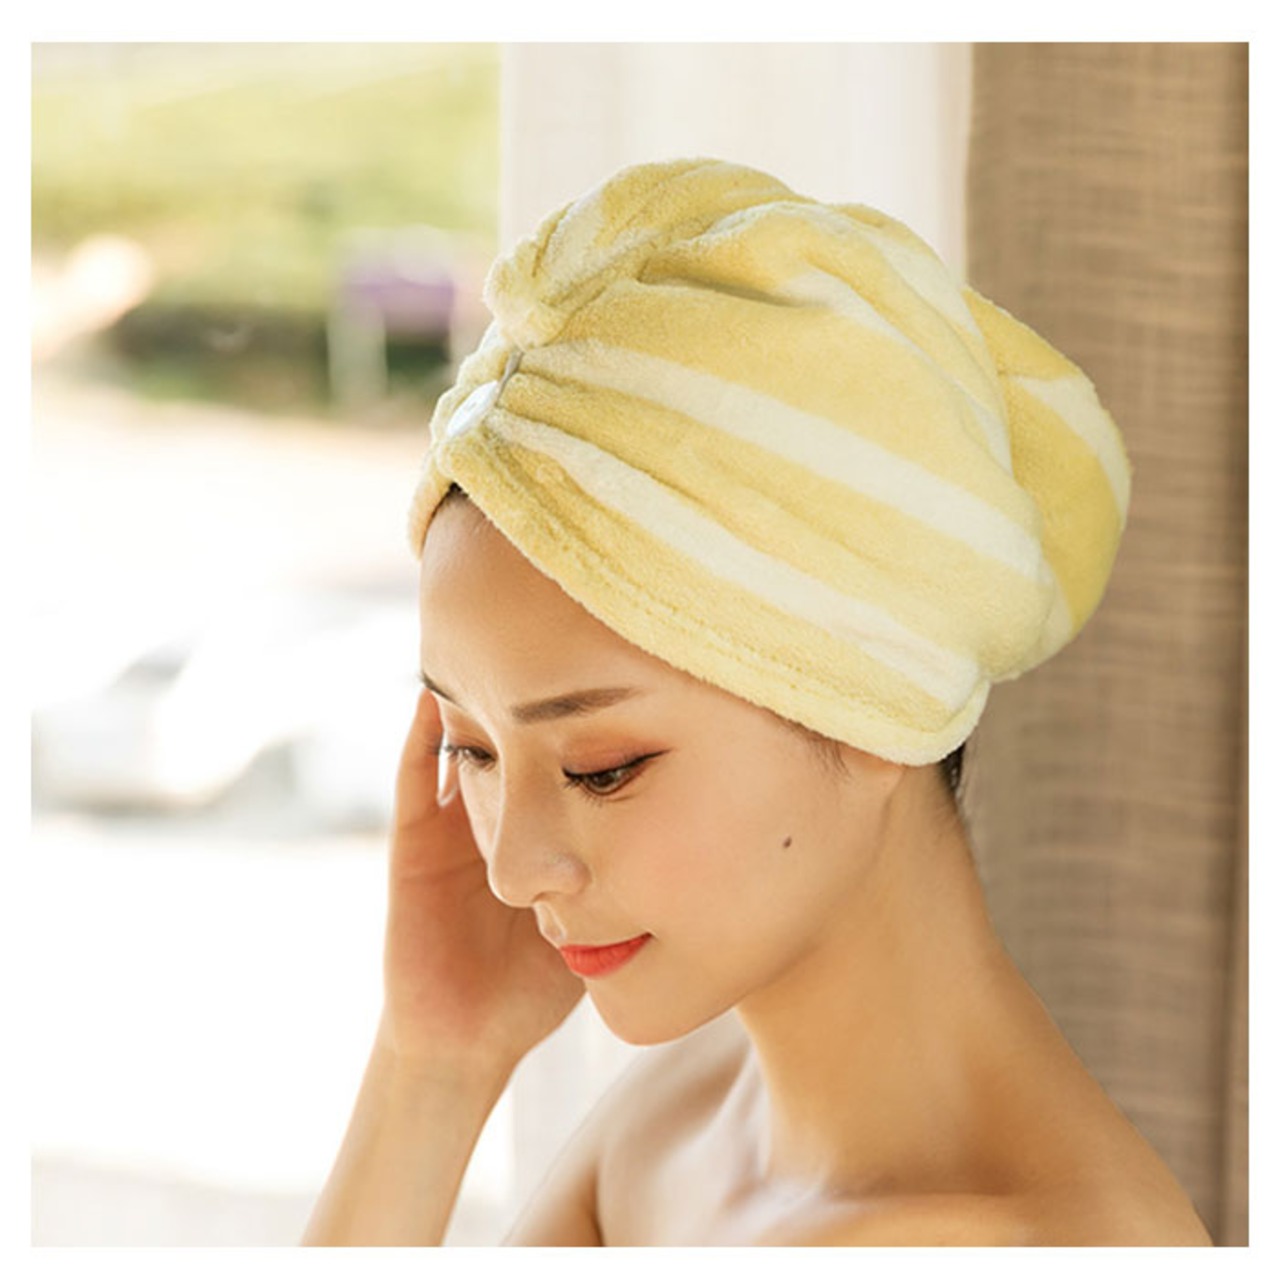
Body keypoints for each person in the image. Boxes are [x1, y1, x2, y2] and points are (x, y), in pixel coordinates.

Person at [302, 158, 1212, 1247]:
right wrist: (432, 1062)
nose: (509, 868)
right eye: (473, 749)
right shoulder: (675, 1127)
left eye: (601, 767)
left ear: (869, 702)